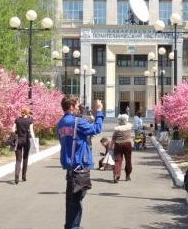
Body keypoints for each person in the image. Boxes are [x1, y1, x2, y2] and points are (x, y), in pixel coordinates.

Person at [56, 96, 104, 229]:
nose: (78, 108)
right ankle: (74, 227)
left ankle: (70, 225)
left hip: (70, 167)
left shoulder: (60, 123)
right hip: (80, 167)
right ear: (71, 107)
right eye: (77, 106)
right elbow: (96, 129)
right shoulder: (76, 122)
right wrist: (99, 111)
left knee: (71, 200)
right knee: (76, 201)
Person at [12, 107, 37, 184]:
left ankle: (16, 176)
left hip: (18, 141)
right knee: (25, 158)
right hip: (26, 141)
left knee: (18, 160)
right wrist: (34, 142)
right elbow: (32, 132)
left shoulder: (17, 120)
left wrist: (15, 135)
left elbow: (12, 129)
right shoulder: (30, 121)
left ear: (22, 113)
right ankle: (23, 176)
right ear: (27, 113)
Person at [111, 114, 133, 183]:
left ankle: (116, 175)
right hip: (127, 144)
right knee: (128, 160)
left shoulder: (117, 129)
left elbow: (113, 139)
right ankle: (128, 176)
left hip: (118, 145)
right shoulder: (129, 127)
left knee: (118, 160)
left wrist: (110, 146)